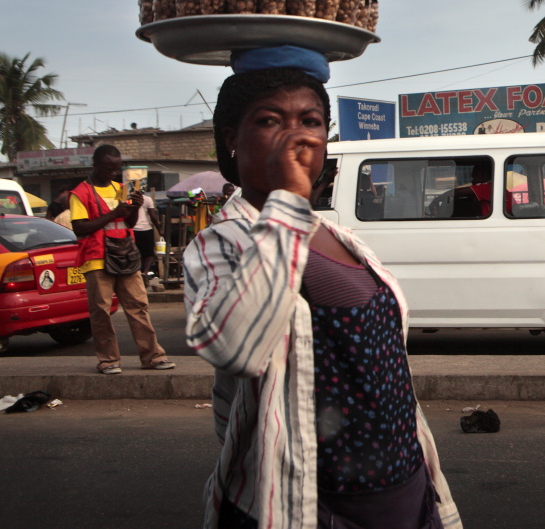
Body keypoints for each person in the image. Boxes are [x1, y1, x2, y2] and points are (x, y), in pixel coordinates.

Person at [184, 48, 458, 529]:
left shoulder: (341, 237)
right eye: (270, 121)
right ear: (231, 140)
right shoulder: (222, 242)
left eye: (310, 121)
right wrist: (286, 198)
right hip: (310, 505)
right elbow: (236, 349)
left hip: (404, 490)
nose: (295, 136)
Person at [70, 145, 174, 375]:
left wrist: (135, 209)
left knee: (138, 306)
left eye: (116, 169)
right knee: (101, 311)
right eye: (108, 168)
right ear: (95, 165)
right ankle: (108, 360)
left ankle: (152, 357)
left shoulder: (121, 188)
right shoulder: (80, 192)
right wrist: (113, 213)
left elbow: (128, 223)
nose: (113, 173)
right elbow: (79, 228)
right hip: (97, 257)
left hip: (125, 253)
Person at [131, 186, 161, 286]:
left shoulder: (128, 200)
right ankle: (145, 272)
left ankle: (138, 274)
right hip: (146, 229)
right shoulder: (147, 199)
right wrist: (159, 229)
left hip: (132, 229)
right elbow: (153, 216)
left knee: (135, 254)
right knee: (149, 254)